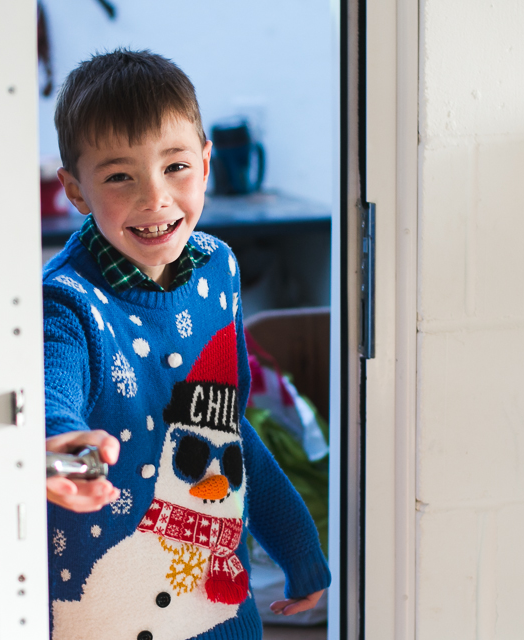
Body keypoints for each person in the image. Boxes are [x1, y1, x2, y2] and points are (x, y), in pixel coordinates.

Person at [41, 48, 330, 640]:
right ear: (75, 190)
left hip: (221, 603)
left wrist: (298, 547)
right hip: (110, 615)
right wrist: (63, 445)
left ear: (205, 163)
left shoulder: (218, 271)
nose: (156, 198)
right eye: (120, 175)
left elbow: (227, 428)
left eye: (174, 166)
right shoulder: (66, 302)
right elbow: (52, 391)